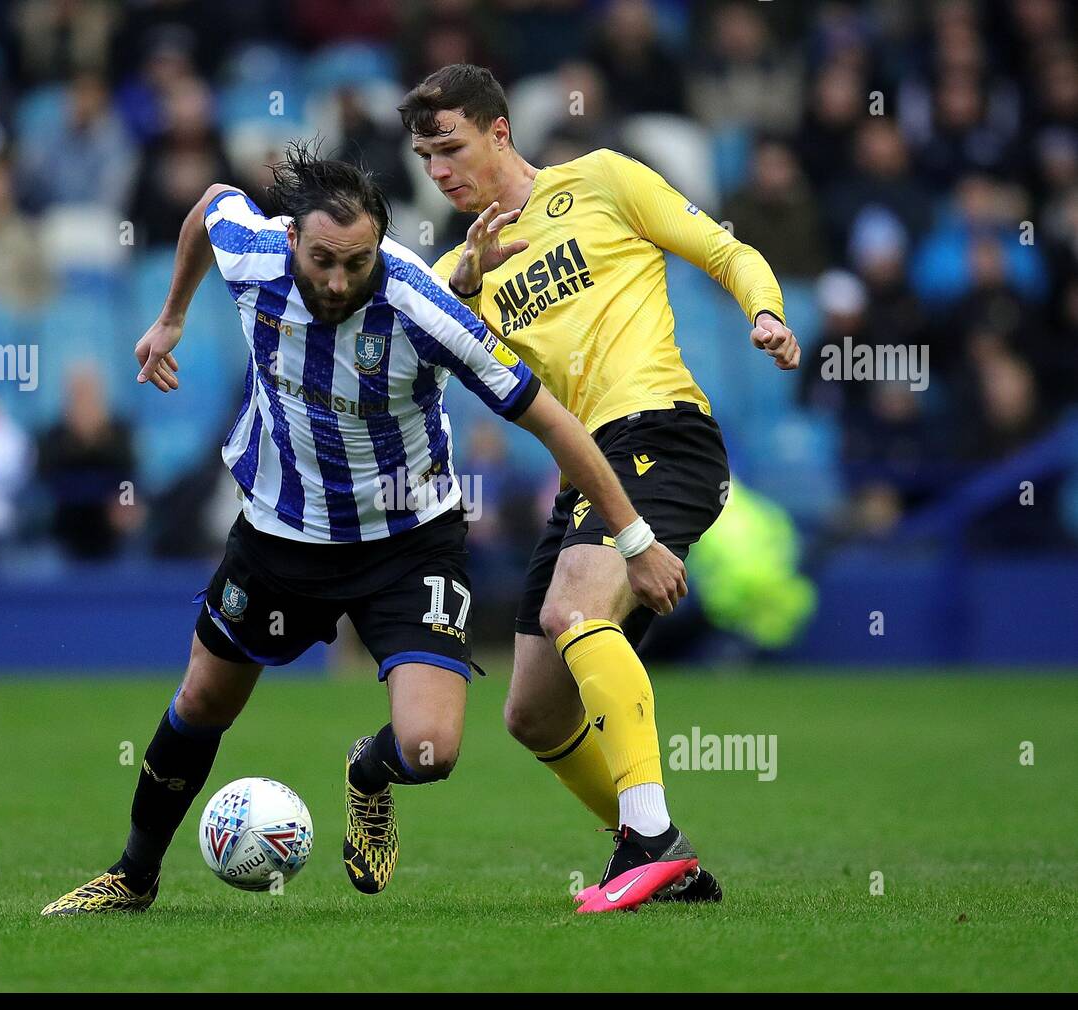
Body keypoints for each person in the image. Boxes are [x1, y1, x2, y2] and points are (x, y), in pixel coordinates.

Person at [41, 143, 682, 915]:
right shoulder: (253, 254)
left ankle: (367, 773)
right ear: (290, 242)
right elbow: (210, 205)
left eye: (358, 261)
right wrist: (170, 316)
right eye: (322, 261)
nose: (339, 281)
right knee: (203, 701)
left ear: (382, 243)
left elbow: (555, 423)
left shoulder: (421, 308)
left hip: (408, 543)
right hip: (278, 536)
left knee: (431, 749)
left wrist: (636, 541)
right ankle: (133, 876)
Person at [401, 64, 801, 912]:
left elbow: (723, 249)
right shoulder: (455, 271)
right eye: (423, 155)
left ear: (498, 131)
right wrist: (467, 287)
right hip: (588, 470)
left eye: (449, 146)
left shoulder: (604, 181)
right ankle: (668, 862)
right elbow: (408, 373)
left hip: (664, 433)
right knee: (533, 715)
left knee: (573, 611)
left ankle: (650, 839)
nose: (436, 169)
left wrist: (764, 310)